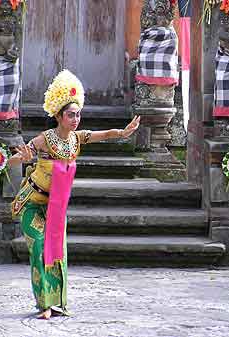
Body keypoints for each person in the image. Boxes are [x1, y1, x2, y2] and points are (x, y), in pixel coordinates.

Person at [8, 69, 140, 319]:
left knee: (58, 251)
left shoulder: (77, 139)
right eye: (71, 115)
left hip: (56, 207)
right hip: (33, 204)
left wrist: (122, 133)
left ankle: (58, 303)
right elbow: (18, 157)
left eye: (78, 114)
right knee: (39, 247)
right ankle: (44, 304)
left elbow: (103, 135)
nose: (76, 119)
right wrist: (21, 159)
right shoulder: (45, 139)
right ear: (58, 116)